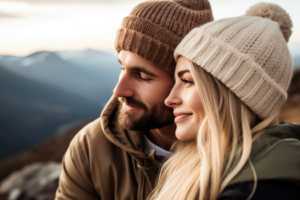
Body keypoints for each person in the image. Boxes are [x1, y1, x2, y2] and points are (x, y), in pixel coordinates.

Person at [55, 0, 213, 199]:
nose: (119, 90)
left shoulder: (233, 156)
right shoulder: (91, 146)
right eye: (122, 67)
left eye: (143, 76)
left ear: (188, 81)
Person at [149, 2, 300, 200]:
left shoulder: (255, 192)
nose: (170, 99)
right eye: (175, 80)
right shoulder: (197, 167)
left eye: (186, 81)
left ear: (233, 94)